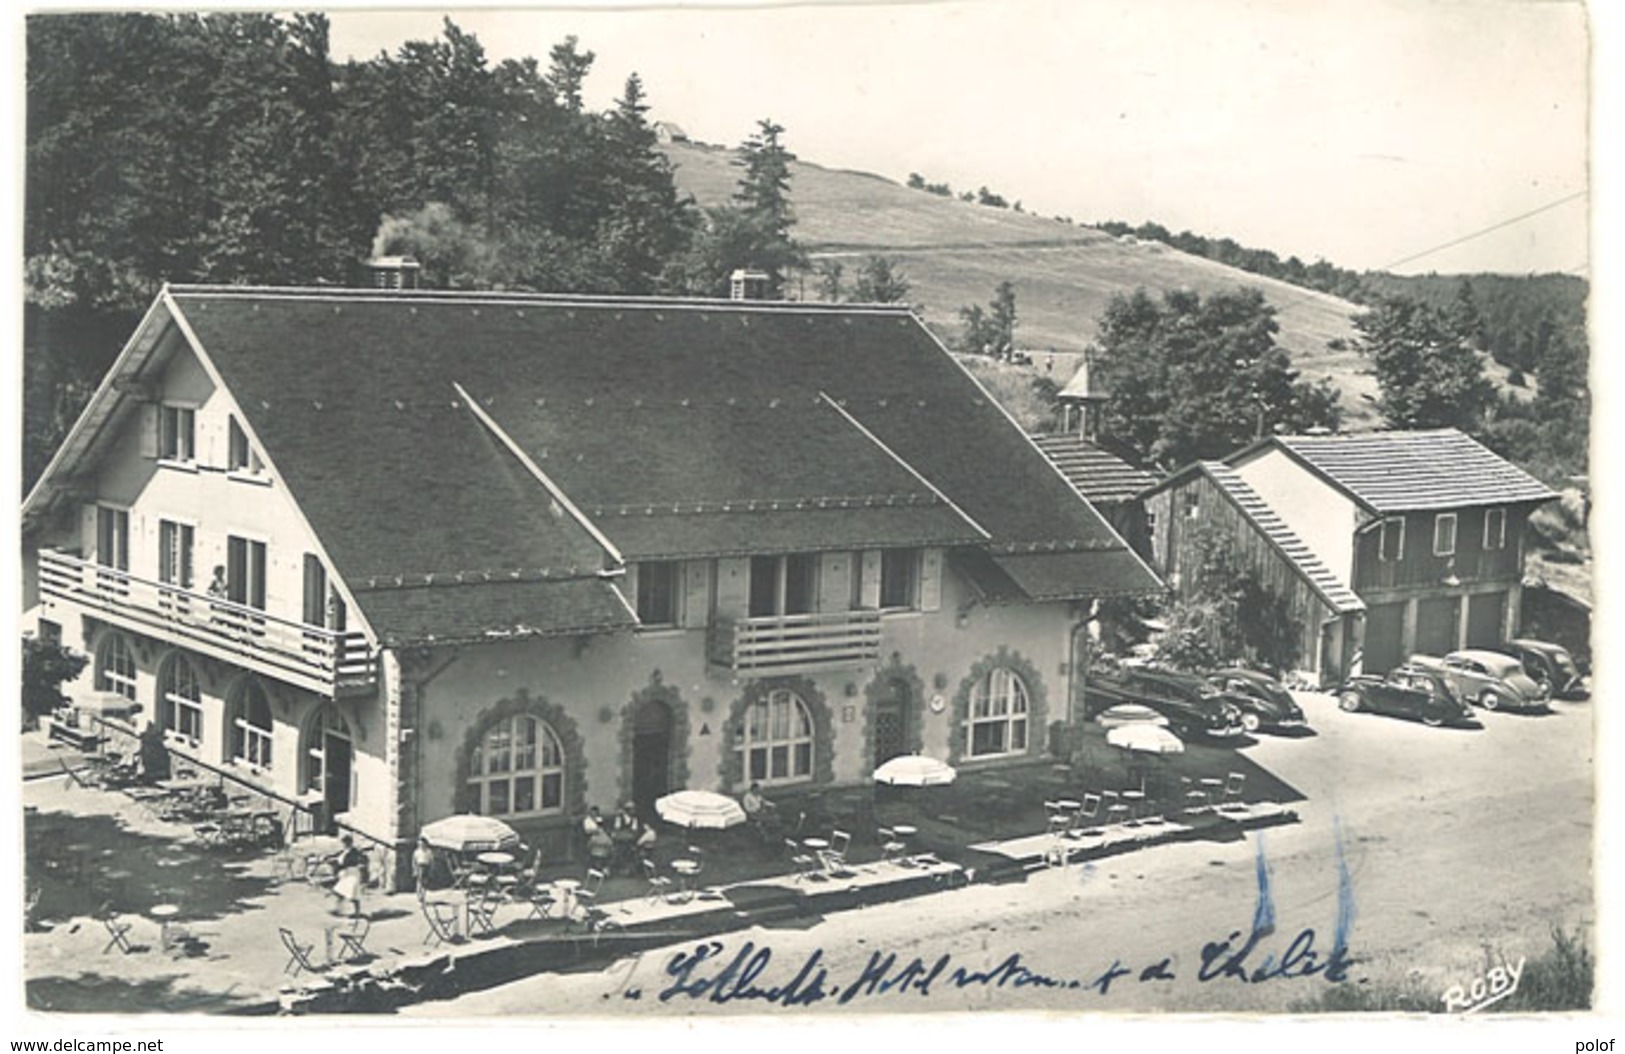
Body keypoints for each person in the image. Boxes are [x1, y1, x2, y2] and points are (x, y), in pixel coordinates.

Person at [328, 835, 368, 918]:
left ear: (349, 843)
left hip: (353, 873)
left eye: (345, 843)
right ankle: (338, 910)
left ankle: (357, 912)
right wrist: (331, 859)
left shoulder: (354, 851)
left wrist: (337, 863)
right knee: (339, 892)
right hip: (347, 874)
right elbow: (337, 857)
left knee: (353, 894)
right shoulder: (344, 851)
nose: (344, 844)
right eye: (343, 843)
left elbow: (352, 861)